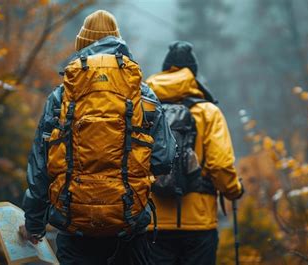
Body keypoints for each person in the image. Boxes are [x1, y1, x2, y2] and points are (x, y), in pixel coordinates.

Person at [19, 10, 176, 265]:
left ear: (82, 44)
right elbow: (163, 159)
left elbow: (40, 168)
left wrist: (34, 224)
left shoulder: (61, 97)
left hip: (74, 226)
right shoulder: (141, 94)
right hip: (128, 226)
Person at [145, 41, 244, 265]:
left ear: (164, 70)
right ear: (194, 75)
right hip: (199, 225)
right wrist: (234, 190)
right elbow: (220, 166)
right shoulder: (208, 112)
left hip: (154, 222)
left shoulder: (147, 110)